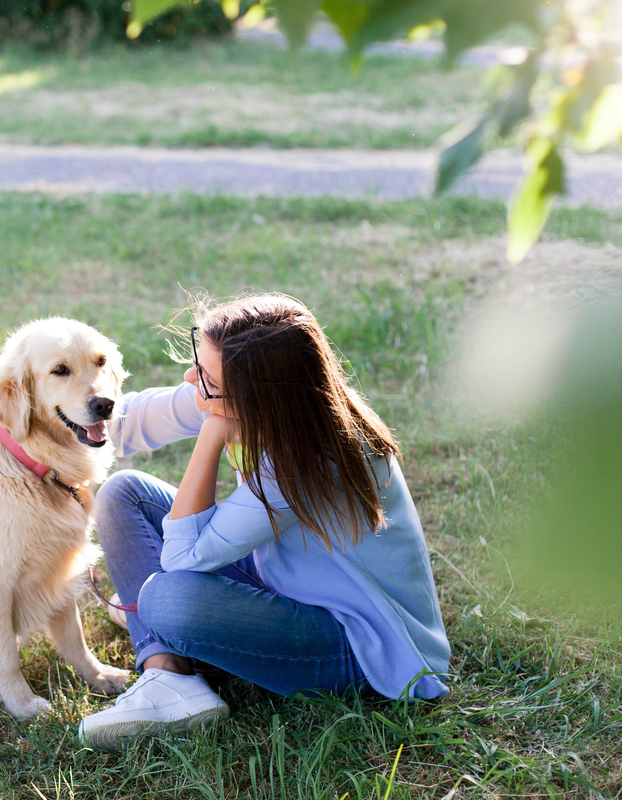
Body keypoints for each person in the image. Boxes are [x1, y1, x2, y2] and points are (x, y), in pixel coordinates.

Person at [77, 294, 450, 751]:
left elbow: (180, 557)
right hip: (285, 581)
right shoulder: (269, 403)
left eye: (207, 380)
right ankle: (169, 675)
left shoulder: (307, 457)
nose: (192, 380)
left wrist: (212, 434)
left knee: (166, 599)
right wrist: (36, 421)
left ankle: (171, 653)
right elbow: (129, 421)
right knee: (124, 493)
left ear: (254, 396)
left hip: (358, 642)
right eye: (200, 365)